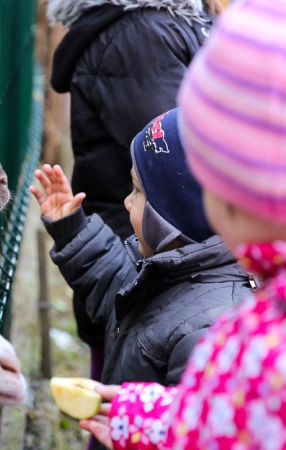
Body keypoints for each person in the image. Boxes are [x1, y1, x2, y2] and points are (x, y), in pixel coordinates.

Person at [76, 0, 286, 448]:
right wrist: (146, 416)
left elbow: (231, 416)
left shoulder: (260, 349)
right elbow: (237, 413)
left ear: (239, 197)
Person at [30, 106, 253, 406]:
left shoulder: (209, 332)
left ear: (172, 216)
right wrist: (72, 229)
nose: (126, 201)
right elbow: (112, 281)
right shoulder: (165, 268)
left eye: (137, 191)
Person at [46, 0, 221, 380]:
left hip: (163, 272)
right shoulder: (140, 35)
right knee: (124, 408)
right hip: (153, 265)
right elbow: (179, 170)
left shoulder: (167, 23)